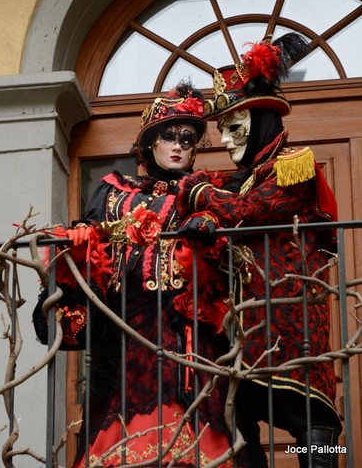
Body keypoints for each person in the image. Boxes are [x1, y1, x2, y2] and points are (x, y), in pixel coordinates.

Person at [33, 81, 233, 468]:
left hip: (187, 332)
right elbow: (92, 255)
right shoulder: (112, 192)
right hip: (127, 332)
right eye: (168, 136)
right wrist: (79, 243)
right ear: (150, 143)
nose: (178, 146)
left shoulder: (206, 193)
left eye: (188, 140)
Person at [176, 34, 342, 468]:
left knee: (313, 422)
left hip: (291, 324)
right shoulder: (240, 178)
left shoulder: (294, 166)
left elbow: (250, 211)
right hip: (243, 334)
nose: (228, 143)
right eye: (223, 131)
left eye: (235, 129)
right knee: (234, 422)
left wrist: (197, 193)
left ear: (262, 120)